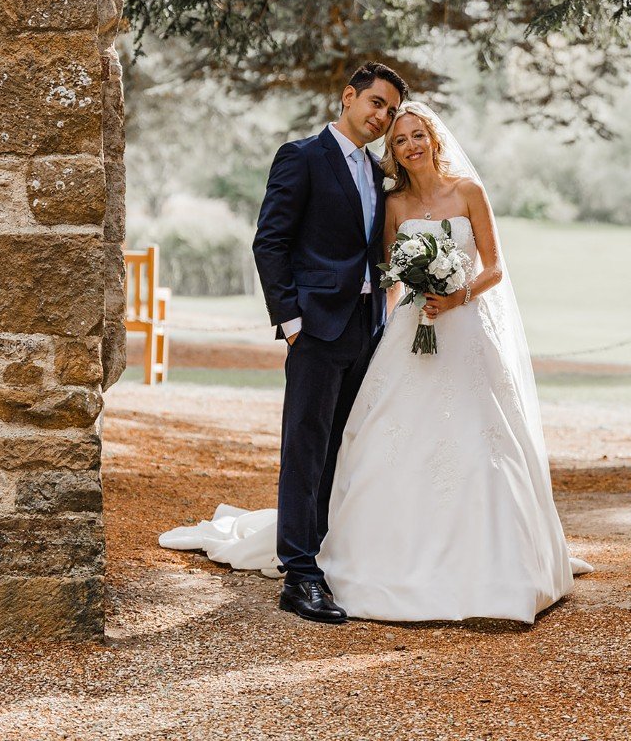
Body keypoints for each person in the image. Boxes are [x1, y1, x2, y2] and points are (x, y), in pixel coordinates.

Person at [159, 100, 592, 623]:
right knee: (383, 438)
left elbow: (496, 267)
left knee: (481, 440)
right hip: (410, 330)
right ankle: (361, 556)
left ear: (433, 138)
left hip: (465, 329)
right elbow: (385, 276)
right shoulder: (394, 205)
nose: (410, 145)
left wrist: (455, 296)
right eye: (400, 139)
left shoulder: (469, 193)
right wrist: (380, 333)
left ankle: (500, 561)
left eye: (417, 135)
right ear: (394, 150)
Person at [251, 61, 407, 623]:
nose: (382, 116)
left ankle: (317, 553)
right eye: (375, 103)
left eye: (390, 110)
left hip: (366, 328)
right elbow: (269, 243)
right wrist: (292, 323)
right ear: (348, 97)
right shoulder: (302, 157)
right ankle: (298, 573)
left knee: (340, 447)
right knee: (305, 447)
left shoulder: (376, 169)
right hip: (316, 328)